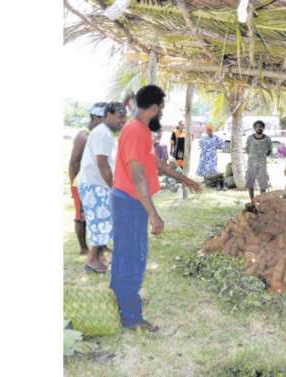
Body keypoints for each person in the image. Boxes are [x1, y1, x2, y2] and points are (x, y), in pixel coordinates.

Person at [110, 85, 201, 332]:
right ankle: (131, 317)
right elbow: (138, 177)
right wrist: (154, 215)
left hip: (130, 201)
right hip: (130, 202)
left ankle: (121, 302)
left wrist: (183, 178)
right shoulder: (135, 131)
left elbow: (155, 163)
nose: (161, 112)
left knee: (126, 255)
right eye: (161, 106)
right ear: (155, 106)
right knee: (132, 257)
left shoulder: (139, 130)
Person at [78, 102, 127, 273]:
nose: (123, 121)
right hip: (95, 184)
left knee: (104, 222)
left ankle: (97, 257)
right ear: (108, 115)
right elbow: (102, 162)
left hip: (96, 183)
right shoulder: (103, 134)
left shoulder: (104, 133)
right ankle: (92, 259)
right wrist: (114, 188)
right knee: (102, 222)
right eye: (120, 117)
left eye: (124, 117)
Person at [68, 102, 107, 256]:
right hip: (81, 184)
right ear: (95, 117)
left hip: (96, 183)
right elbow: (73, 163)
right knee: (81, 217)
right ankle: (83, 248)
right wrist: (73, 187)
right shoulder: (83, 135)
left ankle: (101, 245)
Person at [245, 120, 273, 202]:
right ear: (254, 128)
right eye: (257, 126)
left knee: (263, 184)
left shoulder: (267, 139)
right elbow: (247, 149)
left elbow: (269, 151)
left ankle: (262, 202)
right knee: (250, 183)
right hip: (251, 164)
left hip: (262, 165)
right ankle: (252, 201)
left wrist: (261, 157)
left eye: (260, 126)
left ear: (263, 128)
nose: (259, 128)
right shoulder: (250, 138)